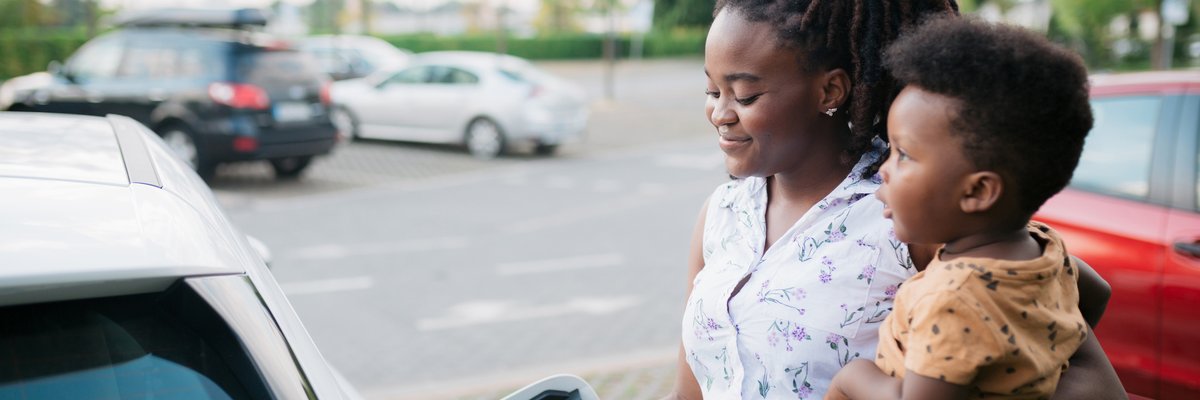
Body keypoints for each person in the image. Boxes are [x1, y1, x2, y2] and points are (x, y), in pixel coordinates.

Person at [666, 1, 1125, 399]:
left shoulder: (906, 210)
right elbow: (690, 393)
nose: (720, 113)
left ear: (830, 90)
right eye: (712, 90)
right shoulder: (723, 213)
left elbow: (1074, 325)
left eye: (745, 94)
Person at [823, 17, 1095, 400]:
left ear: (979, 191)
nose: (883, 169)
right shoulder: (1044, 246)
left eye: (903, 155)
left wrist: (853, 376)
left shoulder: (953, 299)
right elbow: (1098, 291)